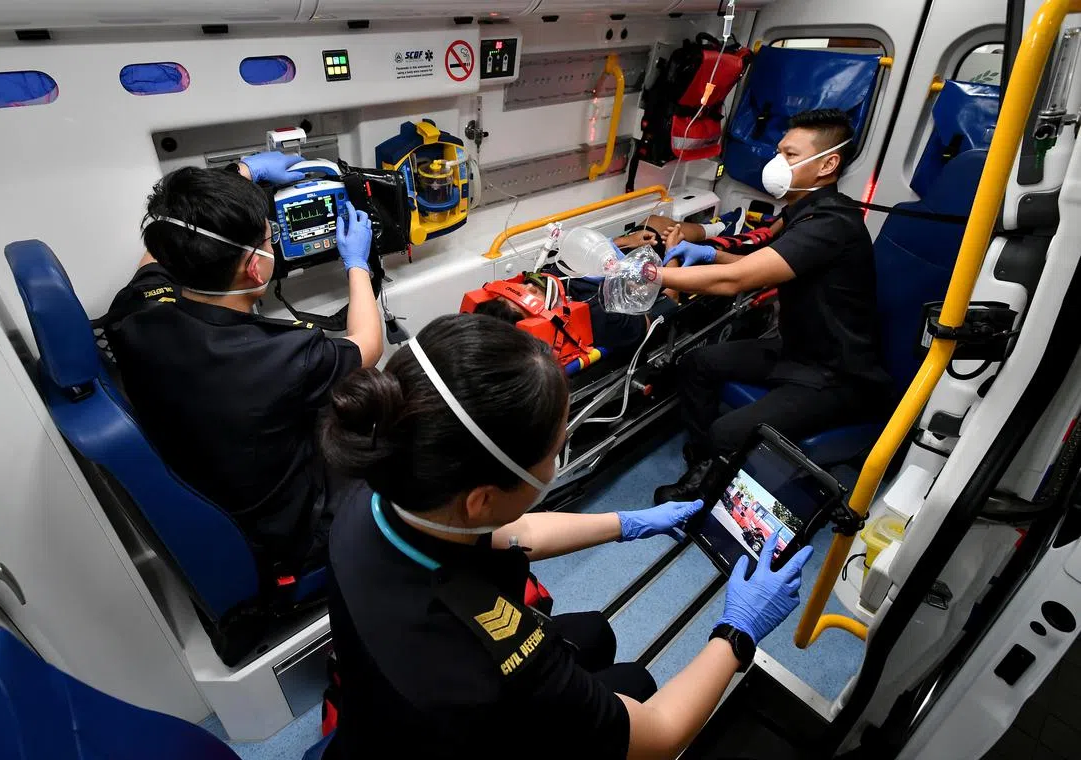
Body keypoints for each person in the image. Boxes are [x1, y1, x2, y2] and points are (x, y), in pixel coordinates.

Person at [319, 313, 814, 759]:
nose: (556, 466)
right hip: (458, 725)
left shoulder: (381, 484)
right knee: (638, 685)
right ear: (481, 499)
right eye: (553, 453)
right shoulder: (509, 660)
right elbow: (660, 734)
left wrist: (629, 523)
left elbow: (514, 531)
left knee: (595, 634)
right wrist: (738, 632)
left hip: (380, 725)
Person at [103, 151, 383, 573]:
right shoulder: (280, 356)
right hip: (291, 534)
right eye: (270, 237)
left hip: (221, 490)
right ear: (255, 268)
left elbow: (164, 243)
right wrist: (356, 264)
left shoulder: (137, 314)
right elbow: (368, 344)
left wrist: (243, 173)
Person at [652, 108, 893, 504]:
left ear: (828, 164)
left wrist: (653, 277)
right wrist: (707, 256)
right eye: (779, 151)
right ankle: (706, 467)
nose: (777, 163)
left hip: (837, 374)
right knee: (698, 364)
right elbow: (755, 266)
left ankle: (705, 490)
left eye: (791, 155)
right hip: (799, 352)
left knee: (726, 431)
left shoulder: (831, 224)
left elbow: (738, 280)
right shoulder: (802, 213)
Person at [473, 229, 675, 350]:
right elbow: (666, 305)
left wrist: (620, 243)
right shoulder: (597, 315)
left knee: (655, 221)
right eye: (524, 302)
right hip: (661, 273)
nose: (529, 288)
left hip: (627, 255)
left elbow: (579, 256)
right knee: (672, 233)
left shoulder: (543, 279)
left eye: (513, 291)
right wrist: (674, 252)